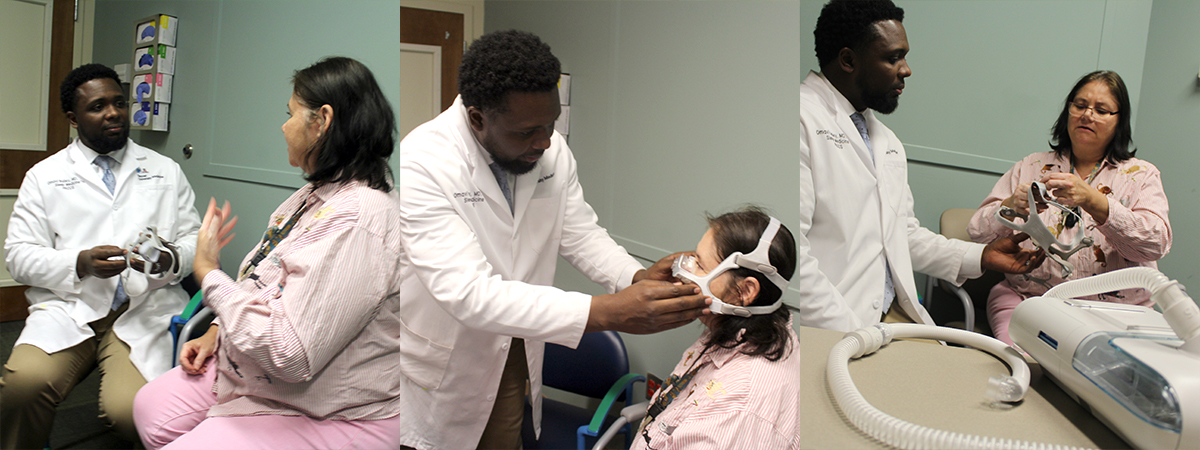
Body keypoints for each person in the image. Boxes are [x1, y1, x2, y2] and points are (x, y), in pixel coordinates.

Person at [397, 29, 710, 450]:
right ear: (477, 119)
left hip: (514, 348)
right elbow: (467, 294)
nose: (544, 143)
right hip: (448, 357)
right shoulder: (423, 160)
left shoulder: (550, 151)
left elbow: (578, 230)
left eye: (551, 124)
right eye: (527, 132)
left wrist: (631, 276)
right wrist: (604, 313)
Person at [131, 56, 405, 449]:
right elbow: (264, 280)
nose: (283, 125)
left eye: (290, 113)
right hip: (258, 370)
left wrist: (208, 273)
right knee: (150, 409)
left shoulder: (359, 221)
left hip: (326, 404)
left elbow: (289, 354)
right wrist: (216, 331)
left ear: (321, 121)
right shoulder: (313, 196)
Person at [795, 0, 1045, 332]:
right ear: (848, 60)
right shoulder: (799, 118)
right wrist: (852, 334)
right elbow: (792, 253)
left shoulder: (885, 141)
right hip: (829, 322)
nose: (906, 69)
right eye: (893, 57)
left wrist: (982, 256)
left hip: (890, 314)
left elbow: (904, 236)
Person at [1, 63, 201, 449]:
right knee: (22, 389)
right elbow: (18, 257)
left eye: (119, 103)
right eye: (98, 106)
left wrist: (170, 260)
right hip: (70, 307)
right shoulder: (44, 176)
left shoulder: (165, 170)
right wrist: (79, 263)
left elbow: (194, 239)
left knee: (132, 412)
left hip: (143, 309)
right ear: (74, 119)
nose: (113, 113)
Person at [967, 71, 1171, 345]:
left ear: (1119, 120)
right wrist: (1010, 207)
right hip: (1031, 302)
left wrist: (1095, 201)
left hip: (1117, 315)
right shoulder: (1031, 166)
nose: (1087, 115)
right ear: (1068, 111)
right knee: (1029, 366)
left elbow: (1154, 244)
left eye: (1101, 110)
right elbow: (976, 233)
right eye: (1080, 105)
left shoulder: (1141, 175)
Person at [633, 207, 801, 450]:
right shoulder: (742, 330)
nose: (685, 270)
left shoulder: (739, 406)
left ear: (744, 292)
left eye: (700, 265)